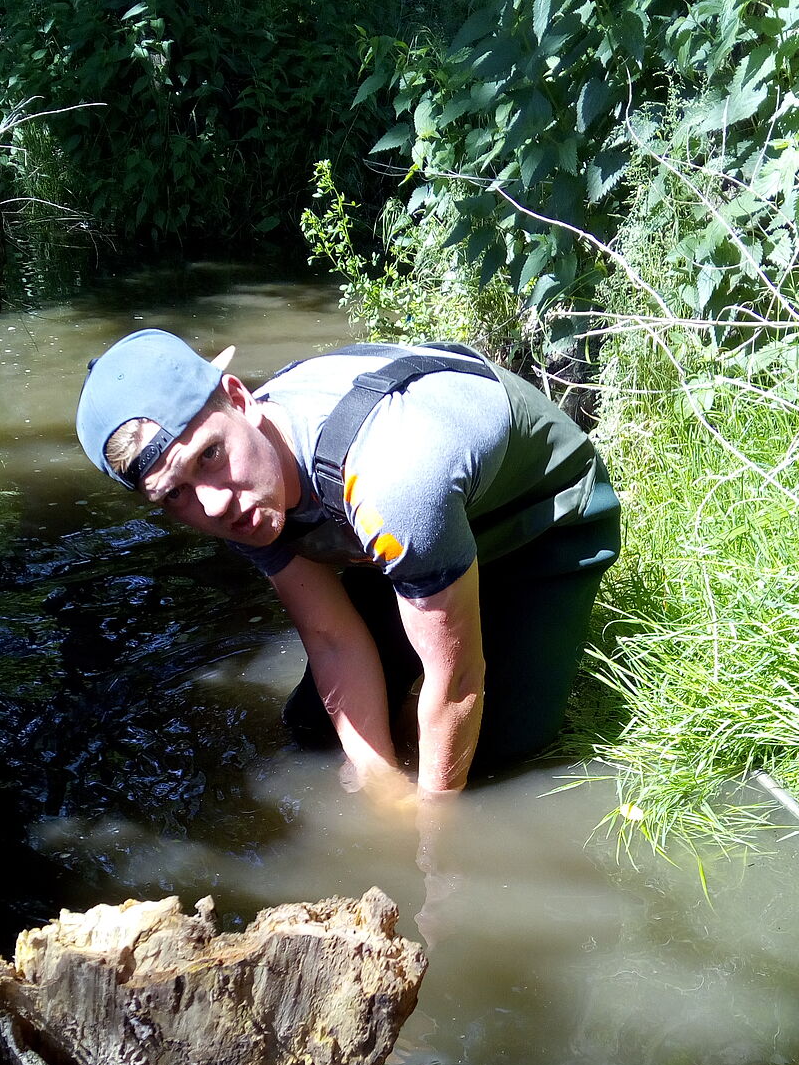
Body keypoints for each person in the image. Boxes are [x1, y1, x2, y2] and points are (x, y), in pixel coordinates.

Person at [75, 328, 620, 812]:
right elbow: (330, 635)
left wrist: (431, 824)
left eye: (210, 455)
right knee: (315, 731)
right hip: (398, 537)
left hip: (537, 529)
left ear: (240, 399)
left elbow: (457, 682)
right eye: (175, 494)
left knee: (492, 762)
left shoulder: (393, 478)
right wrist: (382, 783)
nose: (212, 505)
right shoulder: (242, 495)